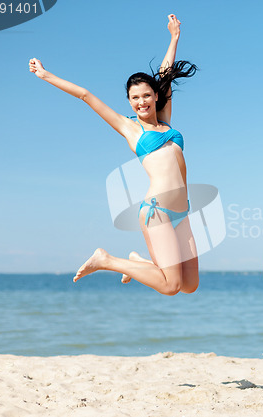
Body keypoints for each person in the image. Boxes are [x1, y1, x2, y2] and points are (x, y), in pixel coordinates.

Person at [29, 14, 199, 295]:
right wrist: (45, 75)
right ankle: (107, 260)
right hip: (157, 210)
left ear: (155, 96)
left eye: (146, 95)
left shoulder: (166, 121)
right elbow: (85, 95)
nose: (141, 102)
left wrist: (174, 37)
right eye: (135, 98)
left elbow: (165, 74)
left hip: (183, 211)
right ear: (130, 102)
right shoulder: (131, 129)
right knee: (171, 286)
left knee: (190, 286)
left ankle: (137, 263)